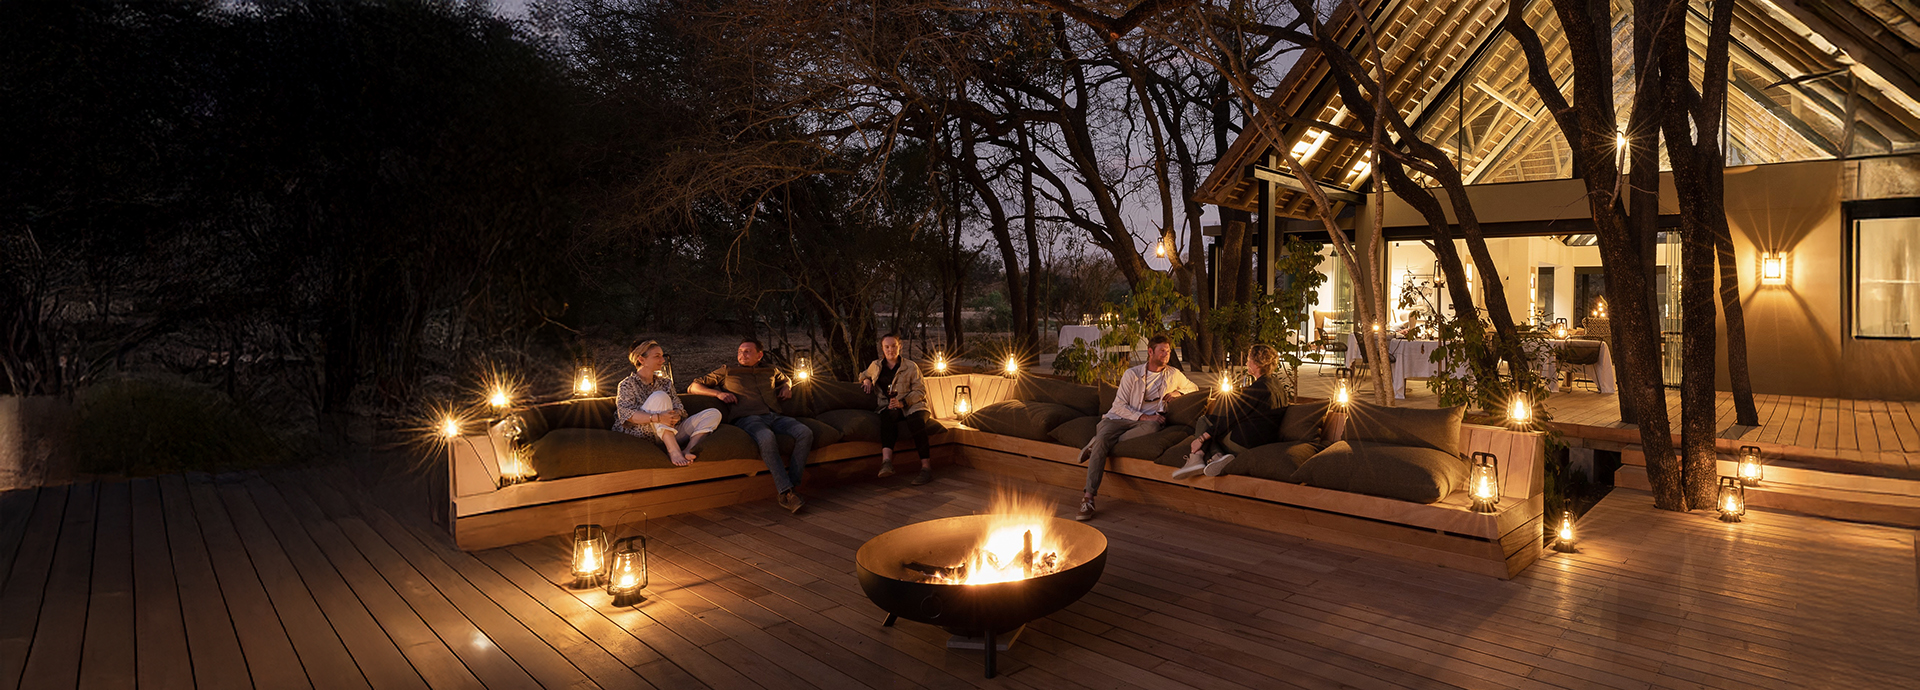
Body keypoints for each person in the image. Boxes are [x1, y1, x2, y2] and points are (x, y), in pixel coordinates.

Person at [1075, 334, 1196, 521]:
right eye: (1162, 350)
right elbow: (1118, 406)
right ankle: (1089, 497)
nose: (1166, 354)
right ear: (1150, 352)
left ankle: (1098, 443)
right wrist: (1145, 416)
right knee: (1110, 435)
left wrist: (1178, 392)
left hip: (1145, 425)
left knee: (1152, 428)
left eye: (1169, 351)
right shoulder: (1132, 374)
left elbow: (1194, 387)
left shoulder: (1173, 374)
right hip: (1117, 419)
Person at [690, 338, 813, 513]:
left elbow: (786, 379)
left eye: (747, 351)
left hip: (774, 416)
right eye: (740, 351)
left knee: (805, 432)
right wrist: (718, 394)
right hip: (748, 418)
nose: (742, 355)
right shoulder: (728, 370)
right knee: (766, 437)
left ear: (759, 355)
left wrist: (787, 386)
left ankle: (792, 485)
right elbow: (693, 387)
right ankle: (786, 492)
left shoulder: (770, 369)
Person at [1171, 344, 1287, 479]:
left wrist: (1201, 438)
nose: (1247, 362)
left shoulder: (1257, 389)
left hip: (1247, 442)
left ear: (1257, 364)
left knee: (1205, 422)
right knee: (1214, 424)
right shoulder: (1278, 386)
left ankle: (1197, 458)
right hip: (1268, 438)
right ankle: (1216, 457)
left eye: (1249, 359)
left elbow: (1232, 417)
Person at [613, 340, 723, 467]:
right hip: (642, 433)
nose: (662, 360)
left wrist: (676, 414)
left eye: (662, 356)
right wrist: (658, 418)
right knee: (660, 396)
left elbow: (679, 407)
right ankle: (673, 451)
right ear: (641, 360)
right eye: (657, 356)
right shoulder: (627, 384)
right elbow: (626, 414)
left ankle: (688, 449)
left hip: (669, 431)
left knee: (713, 413)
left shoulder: (666, 383)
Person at [860, 333, 934, 486]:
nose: (890, 350)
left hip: (914, 405)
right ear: (882, 348)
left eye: (893, 346)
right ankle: (886, 463)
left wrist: (903, 402)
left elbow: (920, 391)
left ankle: (926, 468)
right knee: (887, 417)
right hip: (890, 405)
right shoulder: (876, 365)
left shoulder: (910, 367)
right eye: (887, 347)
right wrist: (866, 379)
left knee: (917, 422)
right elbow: (863, 374)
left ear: (900, 346)